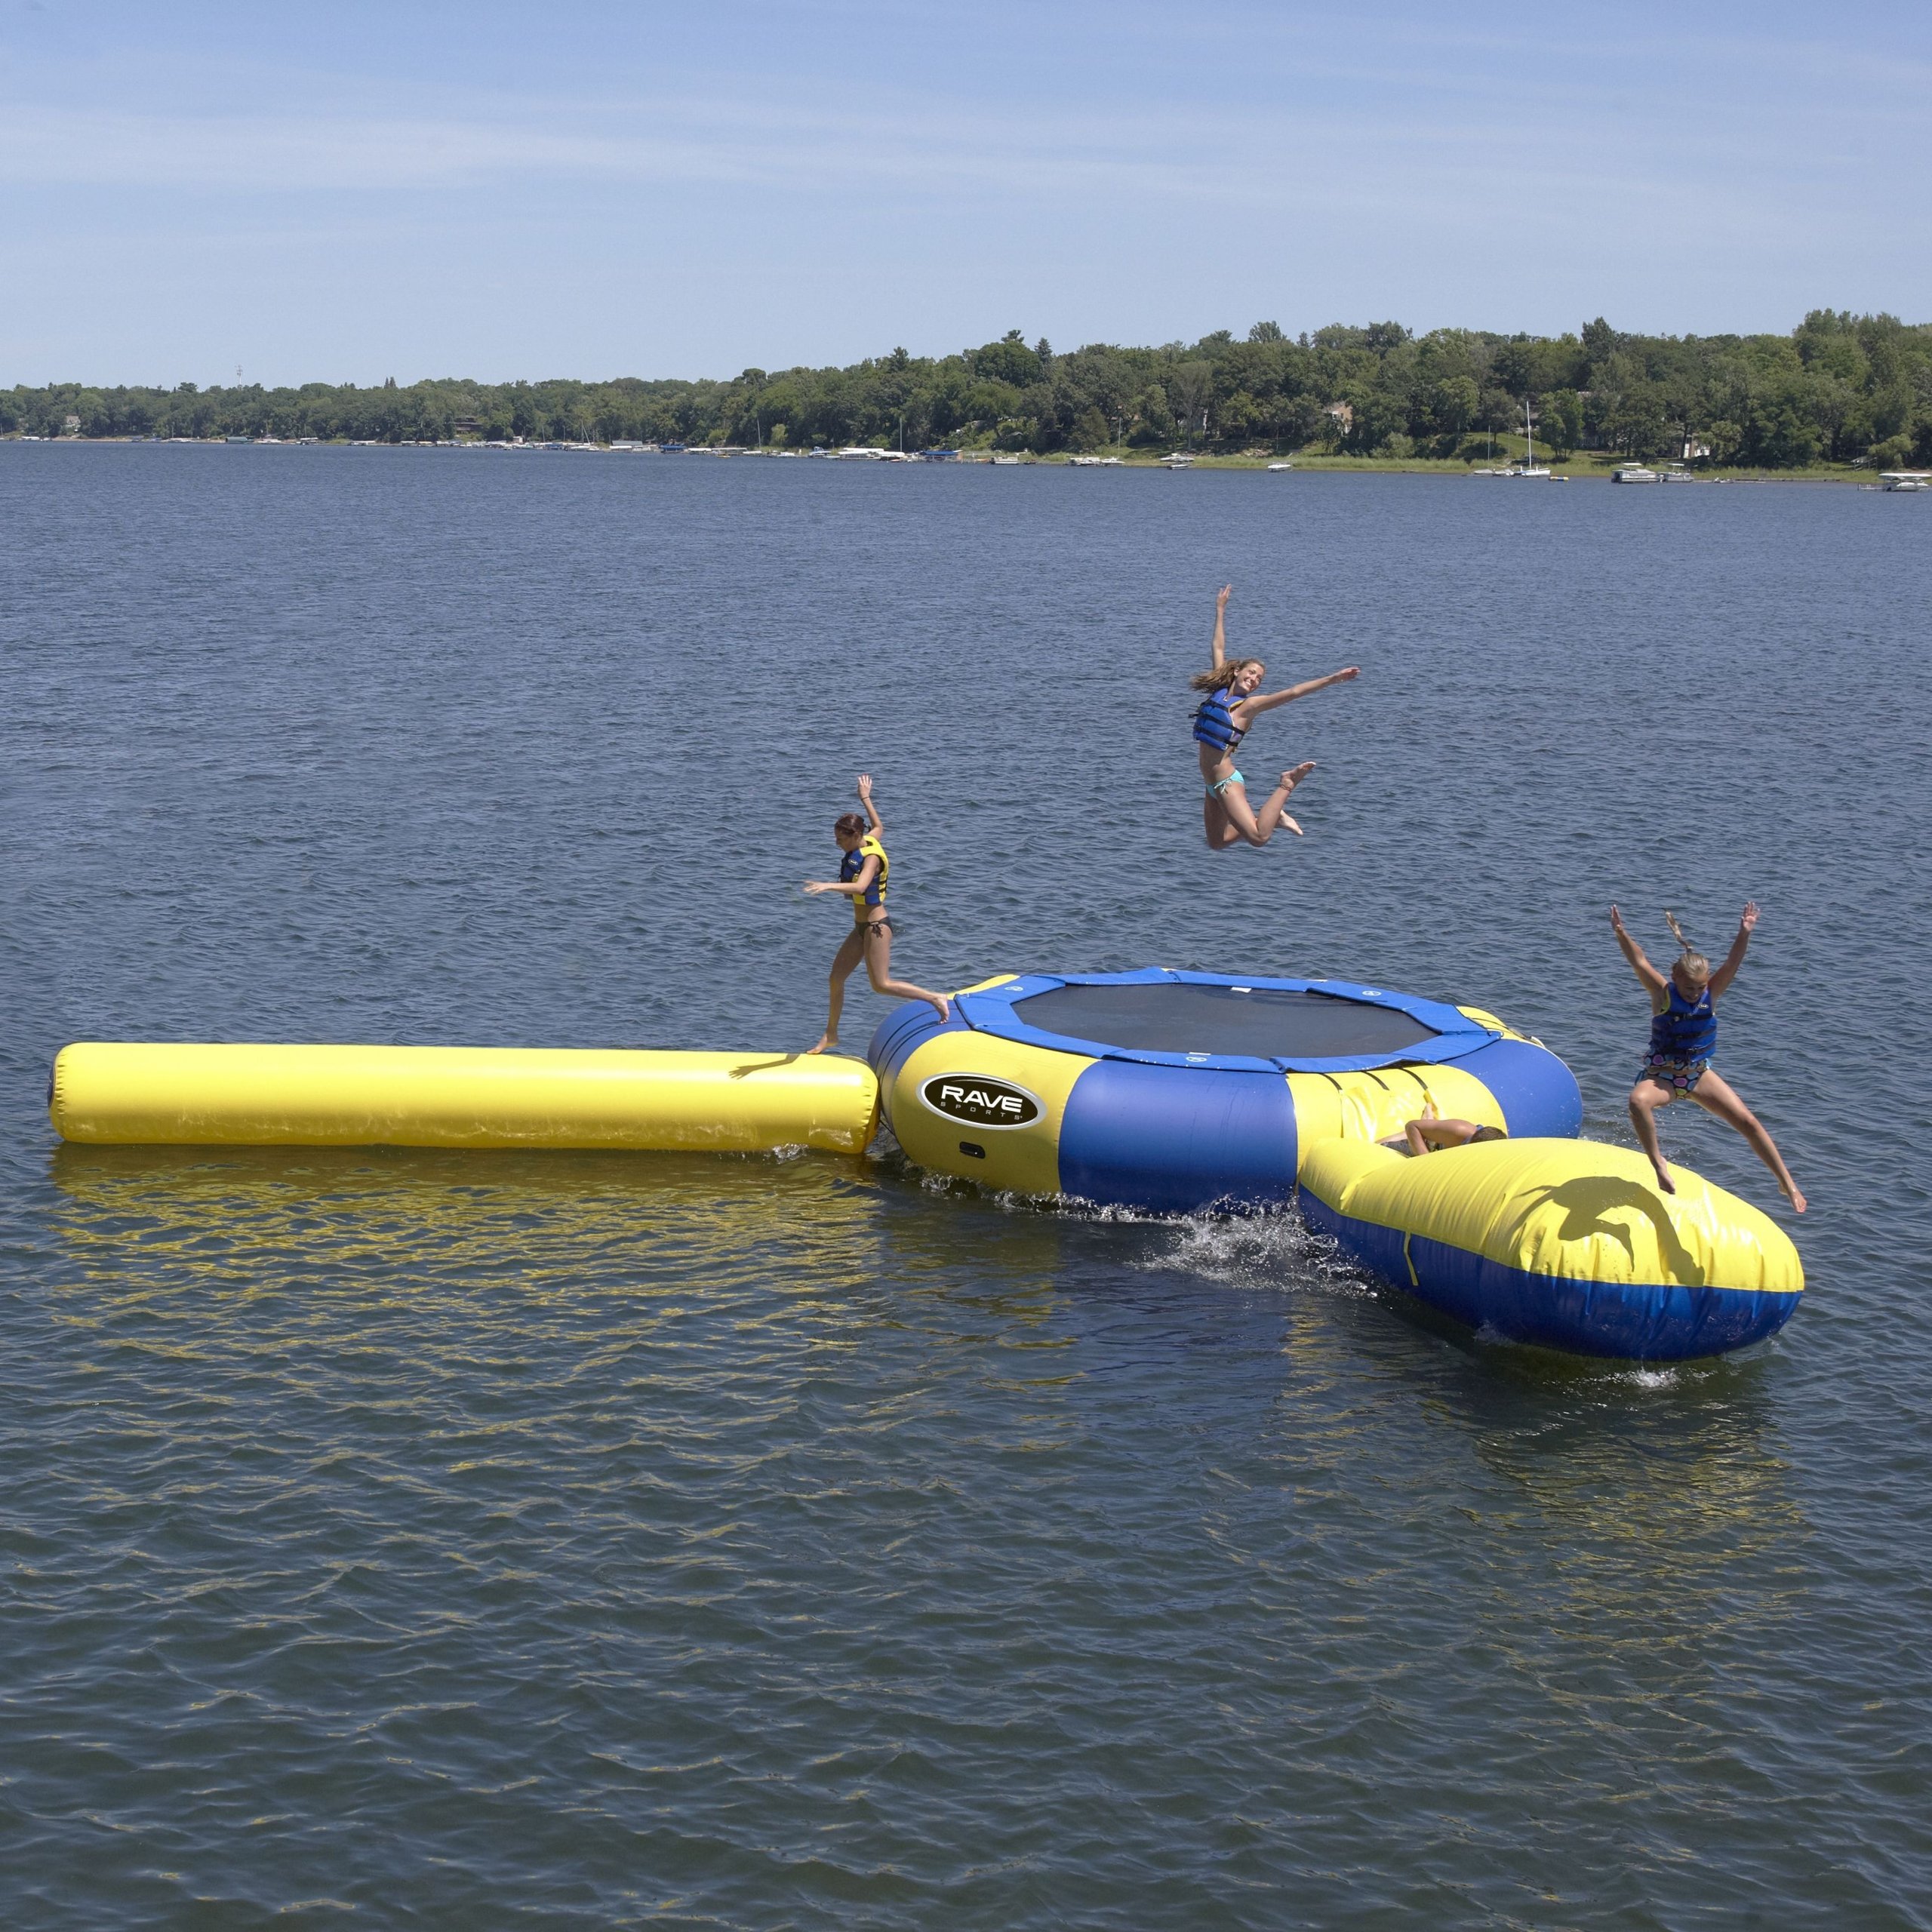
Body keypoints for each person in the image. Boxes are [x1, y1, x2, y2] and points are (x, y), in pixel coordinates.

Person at [1611, 903, 1804, 1212]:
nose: (1694, 993)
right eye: (1689, 988)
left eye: (1700, 987)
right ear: (1674, 977)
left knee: (1749, 1122)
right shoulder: (1662, 994)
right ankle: (1658, 1162)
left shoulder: (1709, 995)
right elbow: (1639, 960)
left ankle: (1786, 1182)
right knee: (1637, 1101)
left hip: (1699, 1075)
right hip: (1663, 1079)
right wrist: (1621, 933)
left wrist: (1745, 931)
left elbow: (1733, 962)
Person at [1191, 583, 1359, 850]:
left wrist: (1333, 679)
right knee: (1217, 842)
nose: (1255, 679)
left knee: (1259, 837)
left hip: (1226, 782)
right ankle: (1272, 818)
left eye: (1259, 678)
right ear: (1237, 671)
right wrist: (1220, 609)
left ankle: (1287, 784)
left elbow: (1293, 692)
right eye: (1252, 673)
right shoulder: (1218, 691)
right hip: (1211, 785)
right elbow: (1218, 646)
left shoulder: (1247, 707)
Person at [804, 775, 950, 1054]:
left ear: (855, 836)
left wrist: (827, 885)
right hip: (860, 928)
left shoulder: (871, 857)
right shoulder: (869, 838)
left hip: (876, 927)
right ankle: (830, 1035)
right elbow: (880, 825)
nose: (837, 844)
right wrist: (865, 797)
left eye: (840, 840)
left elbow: (860, 886)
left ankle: (935, 997)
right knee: (835, 978)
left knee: (881, 985)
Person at [1386, 1100, 1508, 1157]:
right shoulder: (1459, 1130)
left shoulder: (1492, 1151)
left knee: (1429, 1128)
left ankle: (1428, 1122)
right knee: (1380, 1146)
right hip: (1428, 1145)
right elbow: (1411, 1126)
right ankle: (1426, 1124)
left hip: (1440, 1145)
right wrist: (1426, 1160)